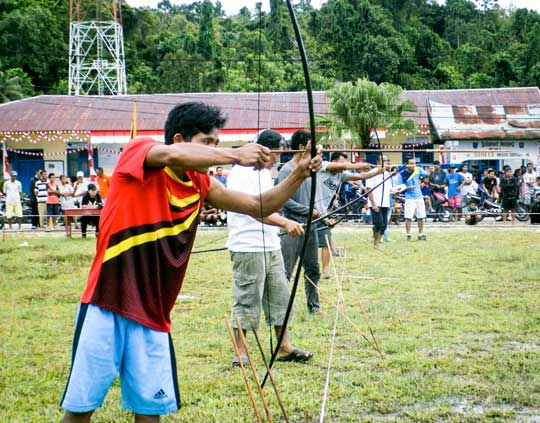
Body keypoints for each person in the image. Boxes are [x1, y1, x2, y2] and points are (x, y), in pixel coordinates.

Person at [60, 102, 322, 423]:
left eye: (217, 142)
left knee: (150, 412)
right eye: (206, 143)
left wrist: (298, 173)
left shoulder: (201, 184)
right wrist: (236, 154)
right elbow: (171, 155)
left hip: (154, 313)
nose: (213, 150)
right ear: (180, 138)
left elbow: (259, 205)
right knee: (80, 410)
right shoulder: (140, 152)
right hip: (107, 301)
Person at [226, 129, 313, 366]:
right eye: (276, 154)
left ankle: (283, 347)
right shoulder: (242, 173)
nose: (277, 159)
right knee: (247, 299)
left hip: (270, 242)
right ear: (264, 150)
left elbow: (271, 204)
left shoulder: (264, 173)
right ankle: (241, 352)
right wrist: (285, 221)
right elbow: (254, 208)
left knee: (280, 296)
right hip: (247, 245)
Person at [276, 130, 326, 317]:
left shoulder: (310, 169)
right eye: (311, 145)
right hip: (291, 226)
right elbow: (284, 200)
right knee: (286, 271)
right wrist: (308, 211)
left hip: (310, 226)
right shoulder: (287, 171)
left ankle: (314, 306)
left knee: (313, 269)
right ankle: (283, 310)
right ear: (301, 147)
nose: (314, 147)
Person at [315, 151, 380, 278]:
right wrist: (360, 165)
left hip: (323, 213)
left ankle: (325, 271)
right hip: (310, 210)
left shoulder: (341, 175)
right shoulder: (323, 165)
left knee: (326, 240)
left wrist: (378, 171)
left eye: (346, 162)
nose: (344, 165)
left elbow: (361, 176)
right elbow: (347, 167)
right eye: (341, 162)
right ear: (333, 162)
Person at [397, 158, 429, 240]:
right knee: (408, 217)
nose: (413, 165)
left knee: (421, 216)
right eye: (411, 163)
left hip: (419, 196)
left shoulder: (418, 170)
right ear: (406, 164)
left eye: (414, 163)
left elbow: (427, 175)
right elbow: (399, 187)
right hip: (409, 198)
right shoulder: (402, 174)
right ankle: (408, 234)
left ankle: (421, 234)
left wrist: (431, 172)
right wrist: (408, 187)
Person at [366, 155, 392, 249]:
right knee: (379, 223)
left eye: (386, 161)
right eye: (383, 161)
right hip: (376, 202)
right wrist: (373, 203)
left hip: (385, 202)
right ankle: (376, 243)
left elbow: (389, 189)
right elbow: (368, 189)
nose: (385, 163)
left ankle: (377, 239)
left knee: (384, 224)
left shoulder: (387, 174)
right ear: (378, 162)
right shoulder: (372, 173)